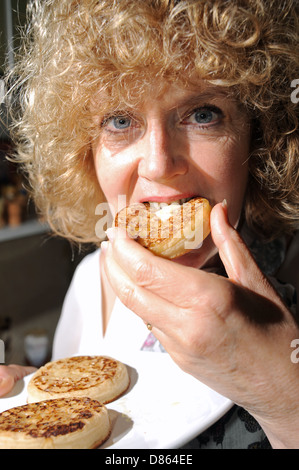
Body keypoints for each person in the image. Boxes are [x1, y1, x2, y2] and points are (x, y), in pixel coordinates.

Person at [1, 0, 299, 449]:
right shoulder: (93, 284)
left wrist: (285, 396)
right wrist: (34, 403)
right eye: (120, 121)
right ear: (85, 153)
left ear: (258, 136)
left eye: (203, 114)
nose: (159, 165)